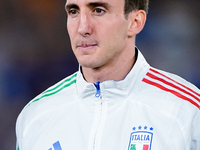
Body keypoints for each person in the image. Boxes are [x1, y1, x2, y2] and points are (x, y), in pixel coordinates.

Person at [16, 0, 200, 149]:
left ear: (135, 22)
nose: (83, 28)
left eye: (98, 10)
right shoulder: (35, 116)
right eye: (73, 11)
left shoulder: (188, 110)